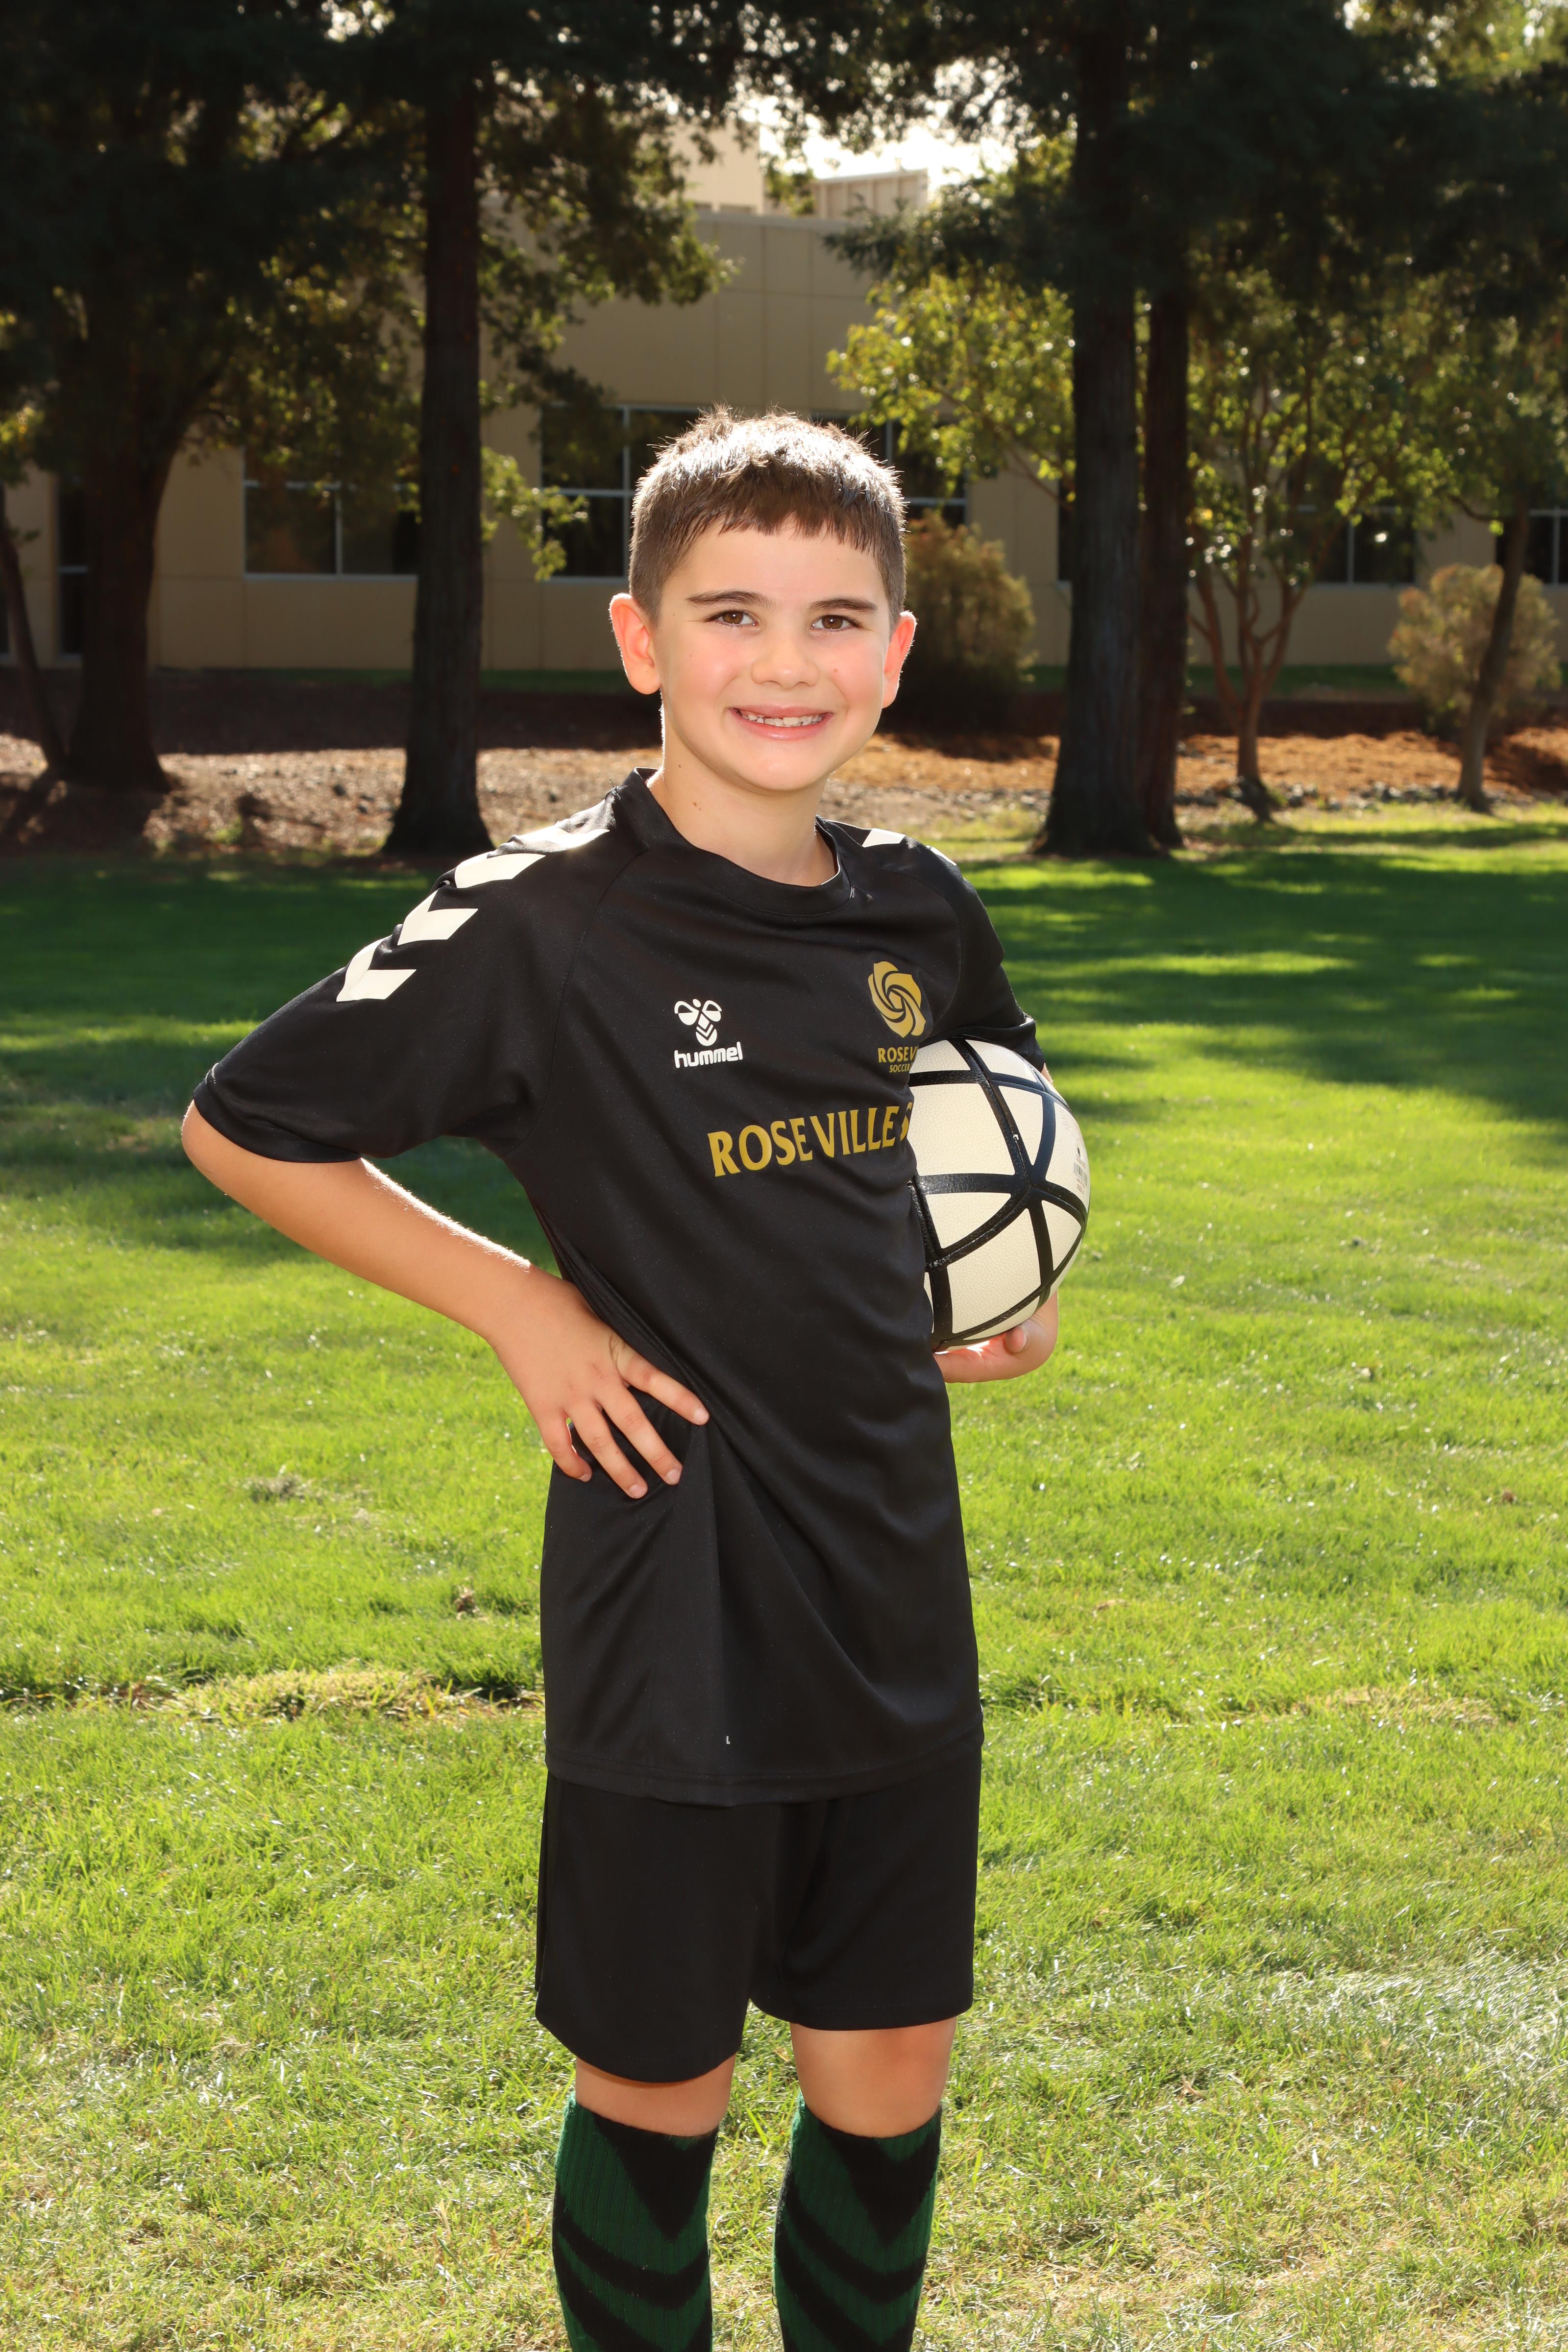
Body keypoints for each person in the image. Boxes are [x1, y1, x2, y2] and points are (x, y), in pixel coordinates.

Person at [182, 408, 1059, 2352]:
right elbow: (244, 1125)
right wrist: (523, 1308)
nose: (784, 662)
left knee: (888, 2083)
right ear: (642, 639)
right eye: (731, 614)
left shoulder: (919, 909)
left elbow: (977, 1153)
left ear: (894, 654)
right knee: (661, 2091)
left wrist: (1000, 1294)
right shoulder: (545, 918)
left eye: (835, 619)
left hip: (893, 1594)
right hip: (676, 1609)